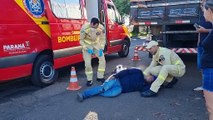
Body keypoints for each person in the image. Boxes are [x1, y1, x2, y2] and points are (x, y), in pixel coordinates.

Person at [77, 65, 156, 102]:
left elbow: (145, 92)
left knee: (112, 94)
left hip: (120, 89)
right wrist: (116, 75)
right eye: (151, 77)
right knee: (103, 89)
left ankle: (96, 92)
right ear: (148, 75)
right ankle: (84, 95)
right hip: (117, 80)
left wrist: (155, 86)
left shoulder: (144, 85)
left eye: (151, 80)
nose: (150, 79)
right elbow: (126, 71)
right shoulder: (139, 72)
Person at [80, 17, 106, 86]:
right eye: (94, 27)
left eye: (97, 26)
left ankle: (100, 76)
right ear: (91, 23)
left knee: (102, 60)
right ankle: (89, 79)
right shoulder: (84, 28)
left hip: (96, 45)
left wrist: (101, 48)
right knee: (88, 63)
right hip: (87, 46)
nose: (95, 28)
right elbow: (81, 40)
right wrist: (86, 48)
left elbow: (103, 39)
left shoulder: (101, 28)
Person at [194, 0, 212, 91]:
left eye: (203, 4)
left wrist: (205, 31)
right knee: (201, 66)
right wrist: (198, 41)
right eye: (201, 4)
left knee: (209, 66)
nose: (202, 6)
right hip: (201, 44)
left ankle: (209, 87)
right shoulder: (202, 16)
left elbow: (207, 30)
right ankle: (204, 85)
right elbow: (200, 30)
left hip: (209, 45)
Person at [201, 1, 213, 119]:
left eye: (204, 10)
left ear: (209, 11)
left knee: (211, 108)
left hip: (211, 71)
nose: (203, 13)